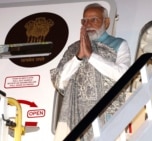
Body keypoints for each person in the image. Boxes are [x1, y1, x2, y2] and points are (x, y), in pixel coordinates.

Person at [50, 3, 131, 141]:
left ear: (106, 22)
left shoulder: (119, 44)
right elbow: (60, 81)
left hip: (107, 116)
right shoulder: (73, 49)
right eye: (84, 21)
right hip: (76, 117)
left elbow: (122, 75)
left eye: (94, 19)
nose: (88, 24)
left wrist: (91, 56)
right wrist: (78, 57)